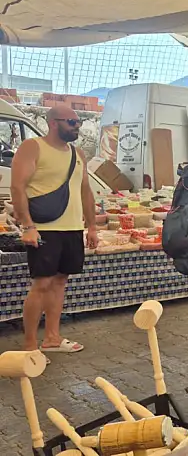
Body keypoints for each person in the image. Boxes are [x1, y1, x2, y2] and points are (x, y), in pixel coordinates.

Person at [11, 106, 98, 359]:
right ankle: (29, 346)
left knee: (60, 281)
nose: (77, 126)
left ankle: (52, 337)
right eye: (71, 121)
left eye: (78, 121)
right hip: (45, 228)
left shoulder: (77, 153)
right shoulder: (32, 147)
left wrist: (91, 226)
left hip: (71, 228)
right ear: (53, 123)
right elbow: (18, 187)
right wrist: (28, 226)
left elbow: (85, 192)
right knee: (42, 283)